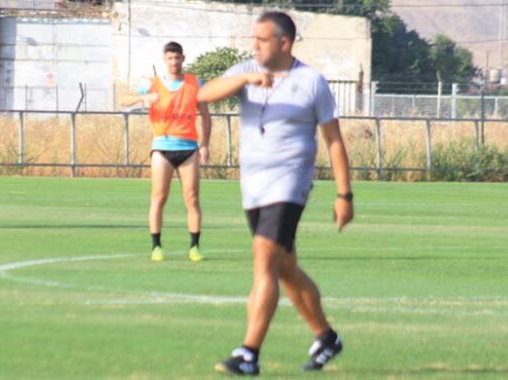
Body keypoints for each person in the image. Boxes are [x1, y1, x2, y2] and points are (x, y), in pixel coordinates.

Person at [197, 12, 354, 375]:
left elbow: (334, 140)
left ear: (284, 42)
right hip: (253, 186)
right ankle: (326, 337)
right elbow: (201, 95)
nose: (255, 46)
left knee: (264, 258)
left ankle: (248, 353)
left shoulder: (311, 81)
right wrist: (244, 78)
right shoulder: (245, 70)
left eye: (262, 40)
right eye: (253, 39)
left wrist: (344, 195)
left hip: (290, 184)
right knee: (285, 268)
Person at [119, 41, 212, 262]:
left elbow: (206, 116)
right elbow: (123, 100)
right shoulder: (152, 84)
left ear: (183, 58)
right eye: (170, 58)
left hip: (188, 148)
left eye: (177, 58)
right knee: (159, 197)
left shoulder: (195, 82)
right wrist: (143, 98)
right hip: (162, 147)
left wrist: (205, 144)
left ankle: (194, 247)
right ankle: (156, 246)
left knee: (192, 198)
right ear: (164, 60)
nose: (174, 62)